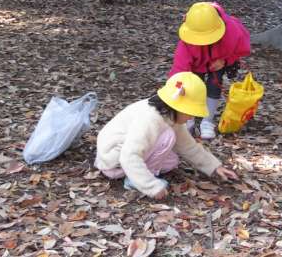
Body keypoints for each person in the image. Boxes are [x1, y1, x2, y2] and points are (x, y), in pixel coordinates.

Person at [95, 72, 237, 200]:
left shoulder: (169, 116)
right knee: (168, 137)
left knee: (172, 160)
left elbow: (188, 147)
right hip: (113, 162)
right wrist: (151, 186)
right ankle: (135, 181)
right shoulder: (150, 119)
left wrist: (214, 167)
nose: (191, 117)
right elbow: (129, 156)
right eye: (190, 112)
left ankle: (140, 174)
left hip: (121, 156)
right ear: (177, 108)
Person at [169, 2, 250, 139]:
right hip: (197, 64)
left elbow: (242, 48)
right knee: (192, 84)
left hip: (219, 60)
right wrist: (178, 86)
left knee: (214, 83)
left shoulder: (232, 30)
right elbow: (179, 71)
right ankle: (188, 119)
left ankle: (207, 121)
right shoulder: (186, 43)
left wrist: (225, 61)